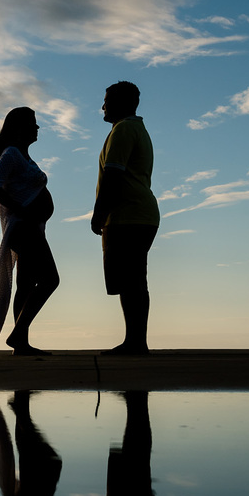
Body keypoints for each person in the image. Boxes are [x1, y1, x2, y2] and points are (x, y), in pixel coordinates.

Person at [0, 107, 60, 355]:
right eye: (33, 123)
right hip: (24, 229)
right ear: (20, 128)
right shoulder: (11, 154)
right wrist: (21, 209)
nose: (37, 128)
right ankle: (18, 335)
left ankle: (21, 343)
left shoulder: (22, 155)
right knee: (50, 280)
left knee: (25, 284)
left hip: (32, 228)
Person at [90, 82, 160, 355]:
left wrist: (99, 214)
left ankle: (135, 342)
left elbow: (113, 175)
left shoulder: (124, 130)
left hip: (128, 215)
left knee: (132, 280)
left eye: (107, 100)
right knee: (133, 279)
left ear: (121, 102)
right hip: (138, 215)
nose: (103, 106)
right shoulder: (135, 129)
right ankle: (135, 340)